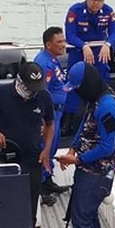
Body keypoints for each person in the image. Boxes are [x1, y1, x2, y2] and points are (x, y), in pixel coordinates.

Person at [56, 61, 115, 228]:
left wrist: (79, 159)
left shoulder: (107, 106)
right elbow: (85, 127)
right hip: (86, 167)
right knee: (89, 215)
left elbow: (107, 146)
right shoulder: (94, 99)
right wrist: (73, 149)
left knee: (81, 220)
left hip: (98, 172)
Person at [0, 61, 53, 227]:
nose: (33, 91)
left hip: (33, 158)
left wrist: (46, 149)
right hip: (6, 155)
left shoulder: (44, 96)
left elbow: (49, 124)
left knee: (30, 203)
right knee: (5, 201)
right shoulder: (0, 93)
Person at [34, 26, 70, 205]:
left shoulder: (53, 59)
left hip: (58, 111)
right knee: (44, 148)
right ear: (49, 45)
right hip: (50, 114)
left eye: (63, 41)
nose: (64, 45)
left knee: (52, 148)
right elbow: (41, 94)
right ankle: (39, 187)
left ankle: (48, 180)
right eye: (59, 42)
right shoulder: (44, 64)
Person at [65, 0, 115, 84]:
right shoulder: (75, 11)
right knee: (76, 83)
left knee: (102, 82)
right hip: (79, 52)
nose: (96, 3)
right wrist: (83, 46)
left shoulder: (108, 11)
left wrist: (108, 44)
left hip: (100, 53)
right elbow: (70, 35)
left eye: (99, 0)